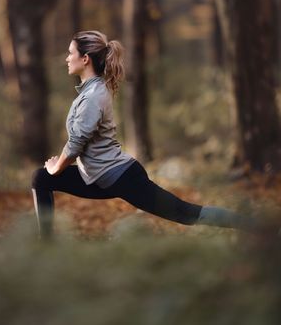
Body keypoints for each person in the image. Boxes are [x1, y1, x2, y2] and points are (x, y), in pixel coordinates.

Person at [31, 30, 260, 239]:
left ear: (85, 59)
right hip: (96, 176)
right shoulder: (90, 92)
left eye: (70, 53)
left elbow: (77, 143)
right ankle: (46, 246)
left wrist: (57, 167)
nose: (66, 58)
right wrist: (52, 170)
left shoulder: (93, 96)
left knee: (185, 214)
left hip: (120, 176)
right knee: (41, 178)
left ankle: (259, 227)